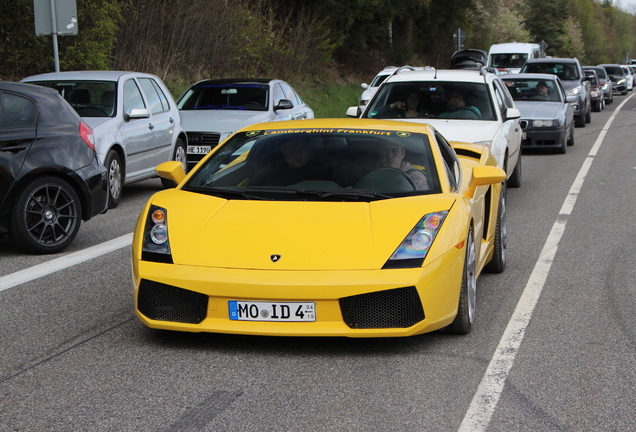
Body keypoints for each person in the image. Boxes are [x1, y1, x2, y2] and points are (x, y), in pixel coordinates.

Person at [249, 137, 313, 186]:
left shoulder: (320, 171)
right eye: (292, 148)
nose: (298, 153)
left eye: (303, 148)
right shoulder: (267, 173)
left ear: (309, 151)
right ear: (283, 149)